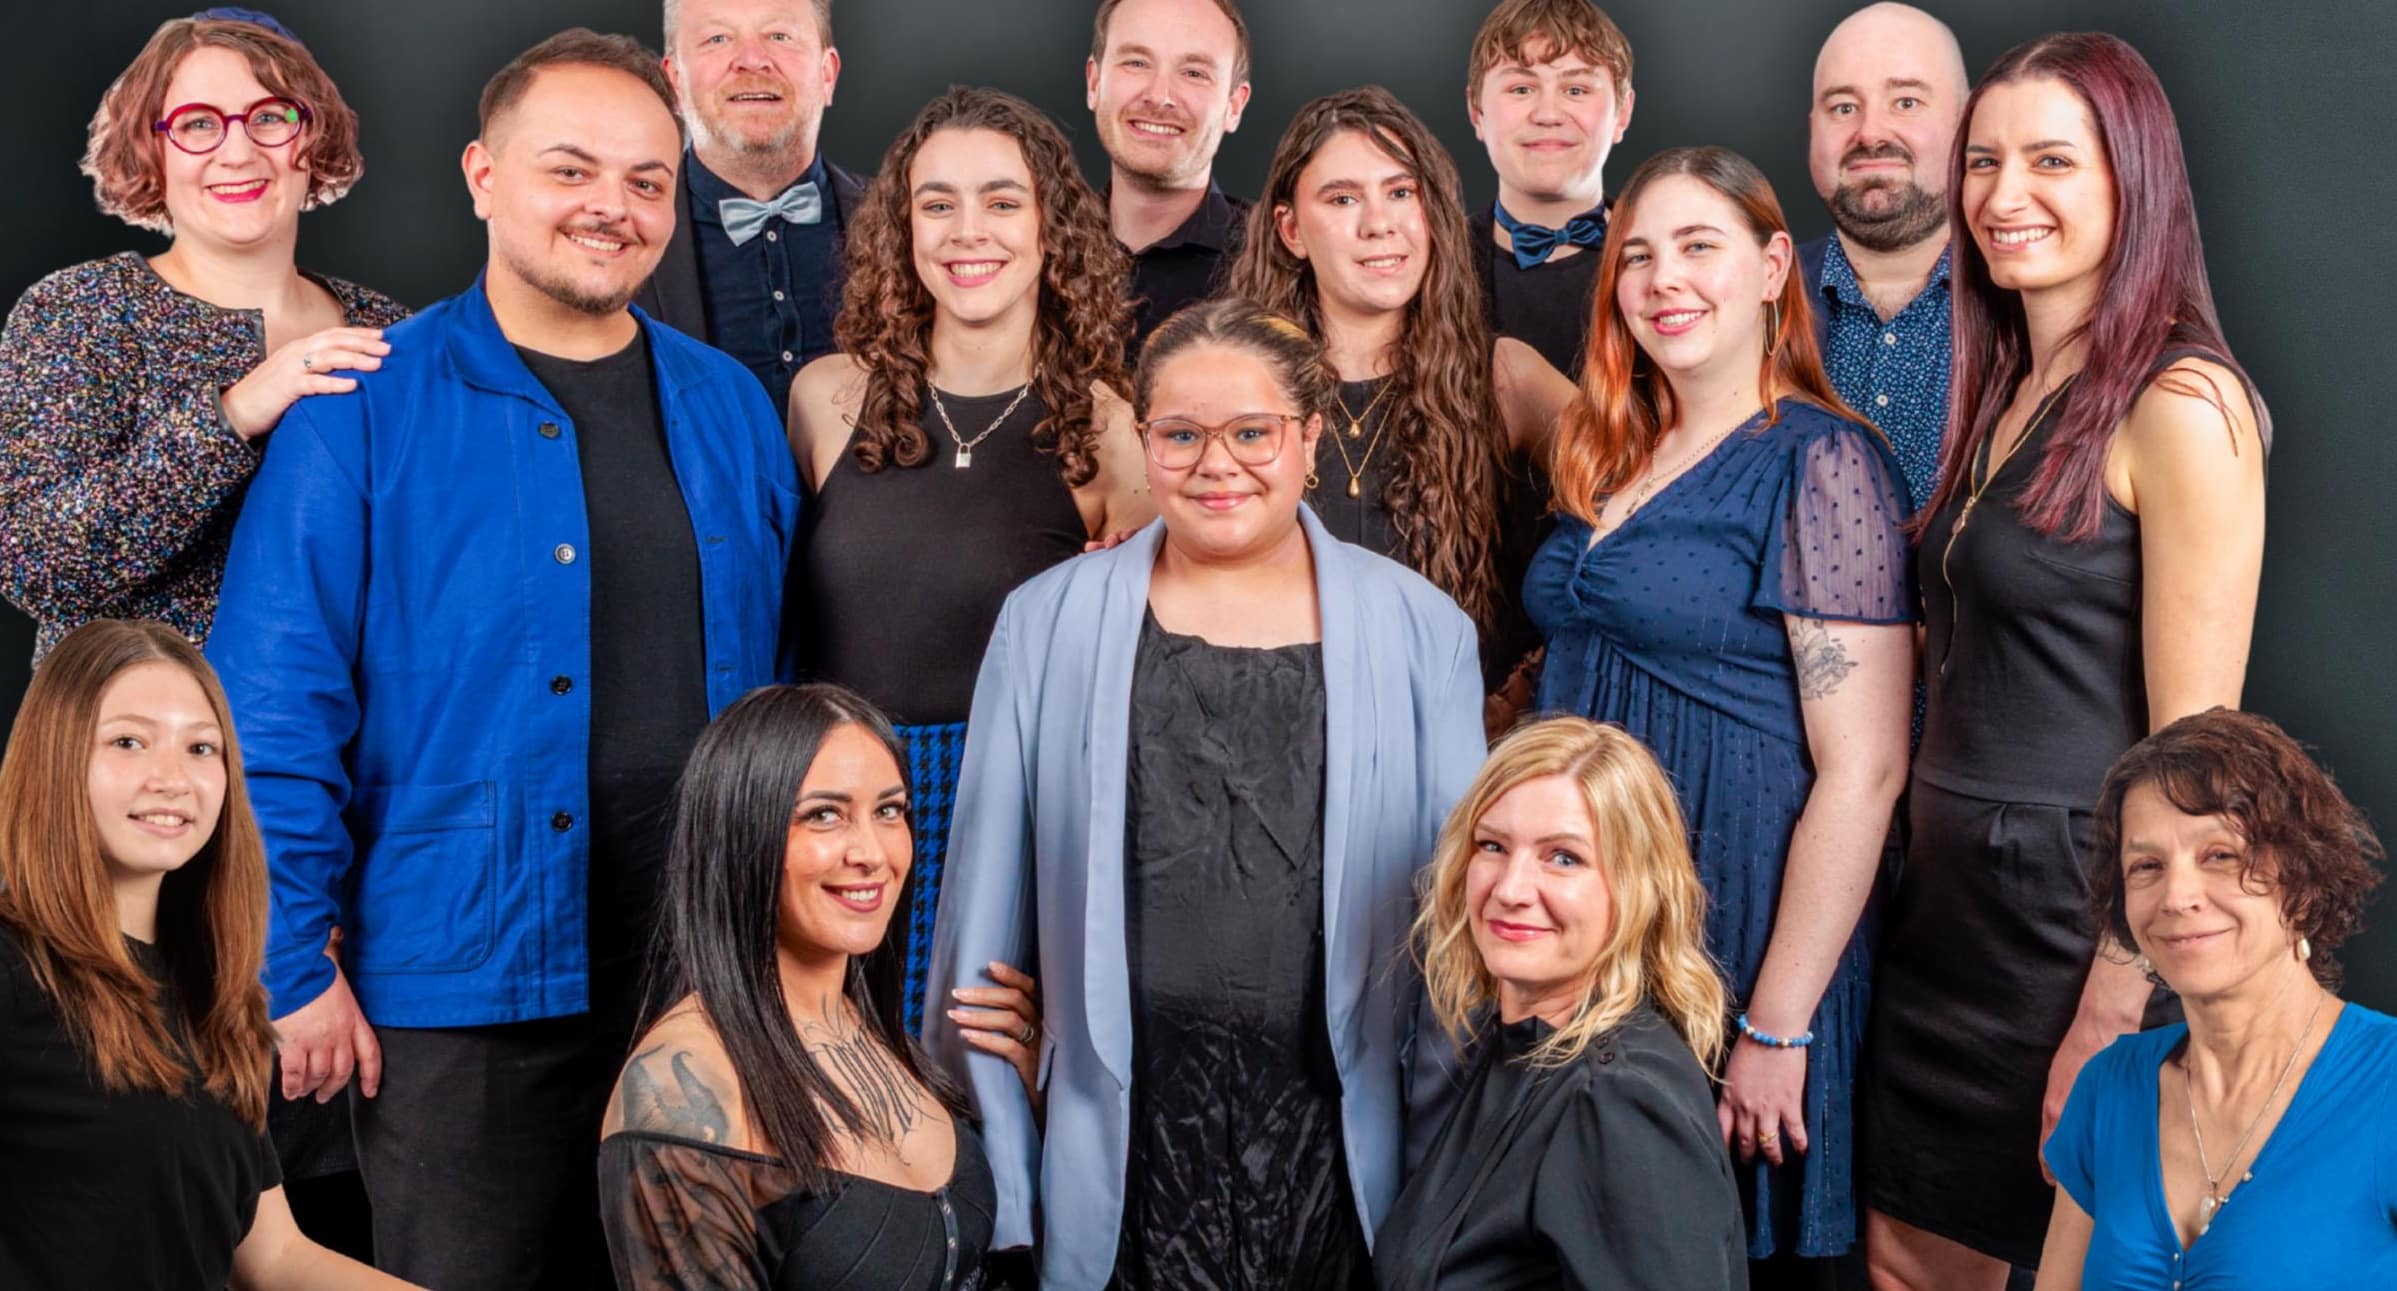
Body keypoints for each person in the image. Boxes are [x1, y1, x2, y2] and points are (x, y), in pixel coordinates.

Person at [203, 30, 799, 1291]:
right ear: (482, 176)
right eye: (570, 169)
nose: (611, 206)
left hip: (699, 984)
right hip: (456, 993)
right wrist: (289, 965)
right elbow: (271, 710)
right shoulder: (361, 409)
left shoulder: (732, 408)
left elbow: (782, 684)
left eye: (646, 180)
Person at [923, 297, 1487, 1289]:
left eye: (1252, 432)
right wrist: (1009, 1166)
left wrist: (1440, 1178)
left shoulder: (1421, 631)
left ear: (1311, 438)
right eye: (1181, 434)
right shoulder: (1046, 624)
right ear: (1145, 444)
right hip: (1120, 1148)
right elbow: (981, 934)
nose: (1216, 463)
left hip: (1340, 1155)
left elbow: (1456, 935)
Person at [1861, 34, 2270, 1289]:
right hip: (1946, 918)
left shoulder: (2182, 403)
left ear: (2131, 181)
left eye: (2050, 161)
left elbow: (2198, 752)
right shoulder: (2012, 384)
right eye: (1983, 161)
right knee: (1903, 1258)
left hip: (2069, 930)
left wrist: (2116, 989)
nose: (2003, 194)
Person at [1524, 145, 1915, 1275]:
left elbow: (1865, 768)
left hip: (1737, 928)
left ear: (1773, 267)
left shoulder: (1823, 461)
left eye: (1699, 246)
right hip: (1598, 920)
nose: (1664, 281)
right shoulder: (1612, 453)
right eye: (1638, 256)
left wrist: (1778, 1021)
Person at [789, 86, 1150, 1031]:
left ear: (1049, 227)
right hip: (831, 808)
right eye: (937, 203)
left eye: (1001, 200)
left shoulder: (1110, 430)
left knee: (970, 1077)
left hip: (1004, 811)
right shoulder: (825, 399)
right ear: (902, 229)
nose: (967, 231)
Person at [0, 619, 416, 1290]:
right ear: (54, 757)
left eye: (201, 747)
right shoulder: (12, 970)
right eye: (129, 741)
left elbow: (275, 1257)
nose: (173, 778)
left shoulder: (214, 993)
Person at [600, 683, 1036, 1289]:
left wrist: (1045, 1097)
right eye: (824, 815)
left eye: (889, 811)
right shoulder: (682, 1094)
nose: (872, 852)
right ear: (742, 834)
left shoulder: (878, 1036)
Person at [0, 10, 403, 665]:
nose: (238, 152)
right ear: (150, 149)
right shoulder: (82, 310)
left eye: (269, 117)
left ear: (312, 135)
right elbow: (38, 566)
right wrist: (233, 414)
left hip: (344, 726)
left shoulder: (385, 330)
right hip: (136, 725)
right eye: (197, 124)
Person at [1375, 716, 1747, 1290]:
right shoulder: (1520, 1042)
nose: (1510, 889)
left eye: (1564, 858)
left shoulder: (1617, 1102)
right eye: (1493, 846)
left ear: (1637, 888)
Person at [1227, 86, 1572, 701]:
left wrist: (1527, 685)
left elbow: (1648, 501)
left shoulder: (1504, 376)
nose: (1379, 224)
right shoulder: (1231, 387)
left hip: (1454, 746)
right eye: (1342, 198)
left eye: (1401, 192)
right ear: (1291, 230)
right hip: (1274, 734)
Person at [2037, 708, 2395, 1287]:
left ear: (2304, 879)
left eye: (2220, 856)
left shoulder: (2388, 1085)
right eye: (2147, 865)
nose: (2176, 896)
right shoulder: (2108, 1086)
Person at [640, 0, 864, 411]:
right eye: (717, 38)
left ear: (827, 74)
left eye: (779, 36)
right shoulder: (621, 233)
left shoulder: (909, 223)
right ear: (674, 82)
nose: (752, 60)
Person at [1797, 2, 1969, 513]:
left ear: (1967, 121)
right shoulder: (1747, 300)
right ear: (1813, 129)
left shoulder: (2030, 308)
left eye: (1906, 102)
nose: (1871, 133)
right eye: (1843, 107)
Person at [1463, 0, 1636, 379]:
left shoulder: (1669, 265)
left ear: (1622, 113)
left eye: (1575, 89)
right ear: (1476, 112)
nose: (1548, 115)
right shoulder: (1433, 264)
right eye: (1521, 88)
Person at [1086, 0, 1253, 349]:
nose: (1159, 96)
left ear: (1234, 106)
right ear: (1094, 83)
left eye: (1194, 73)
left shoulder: (1279, 258)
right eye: (1136, 63)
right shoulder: (1034, 246)